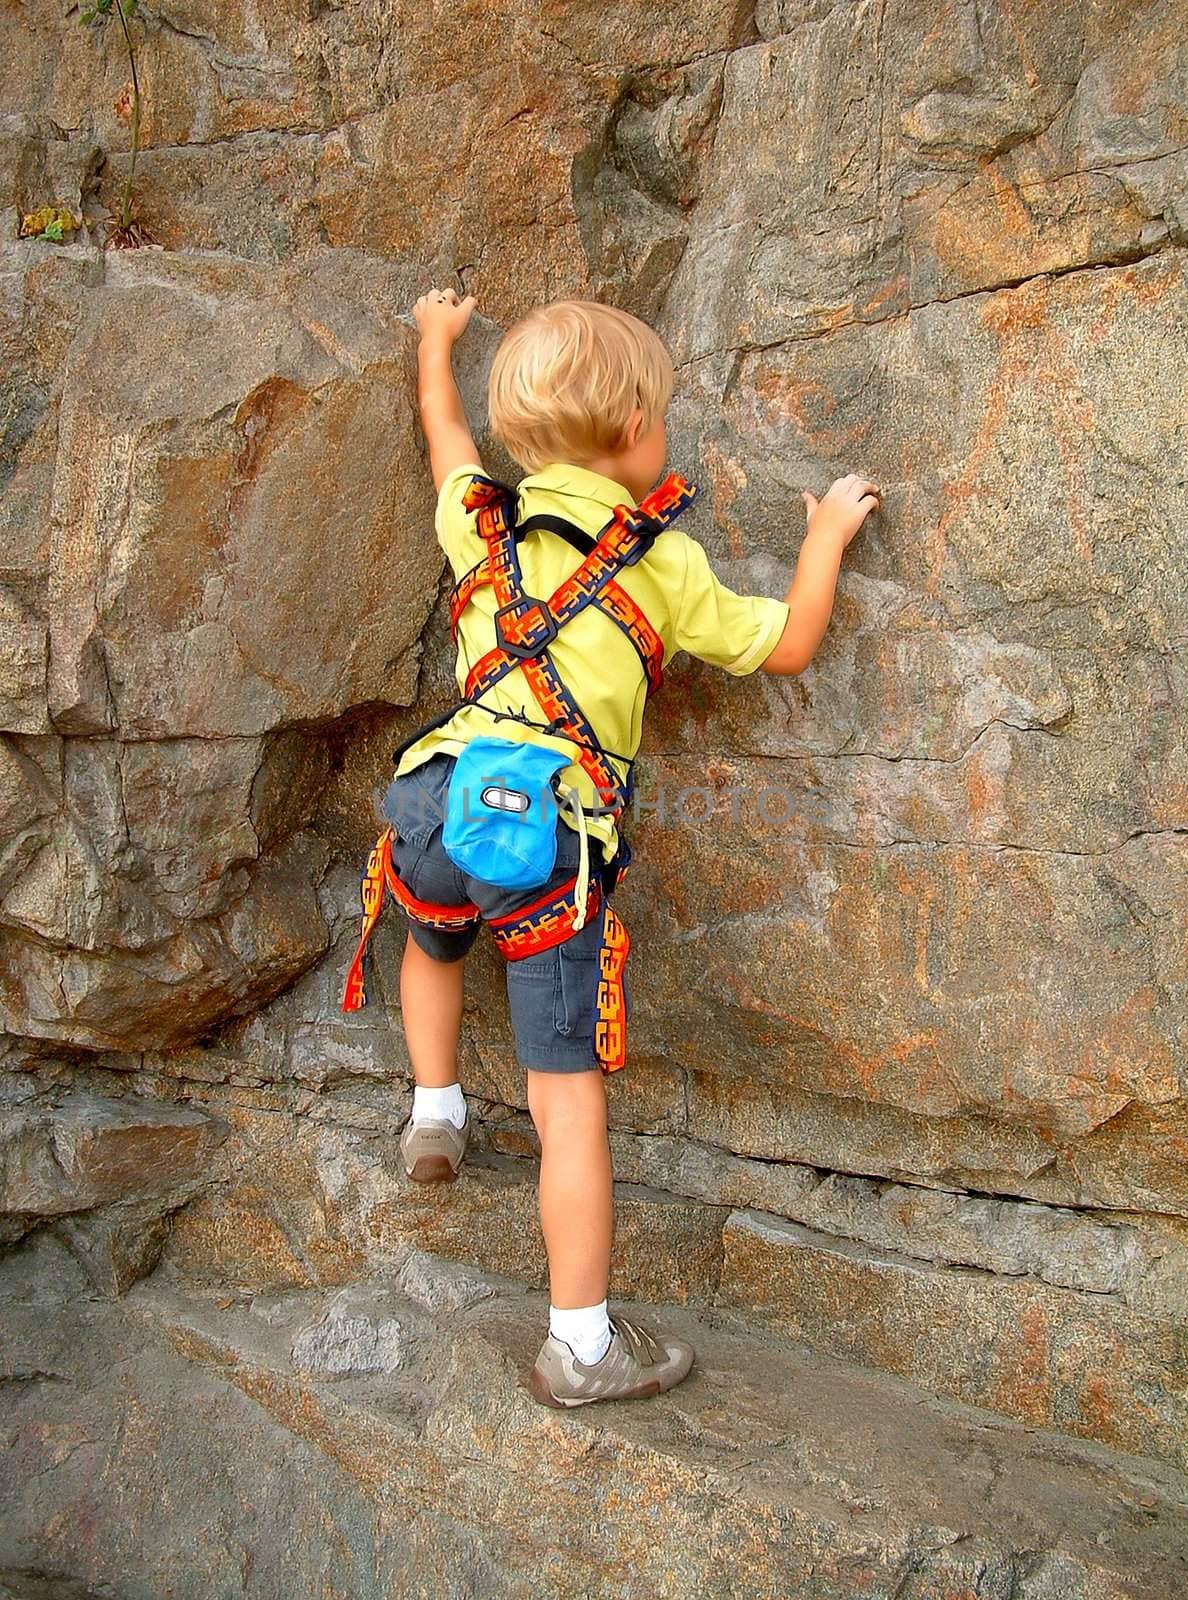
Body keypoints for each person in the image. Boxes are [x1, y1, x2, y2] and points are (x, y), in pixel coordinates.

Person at [364, 287, 879, 1408]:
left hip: (437, 796)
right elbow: (786, 644)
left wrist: (437, 341)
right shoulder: (663, 566)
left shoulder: (481, 519)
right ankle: (582, 1345)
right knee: (569, 1098)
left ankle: (435, 1112)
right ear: (637, 433)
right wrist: (825, 535)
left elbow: (444, 438)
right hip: (553, 835)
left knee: (434, 940)